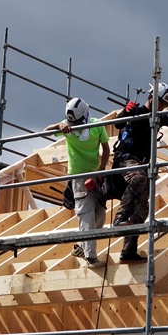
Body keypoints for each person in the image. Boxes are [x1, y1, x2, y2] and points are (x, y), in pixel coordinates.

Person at [112, 78, 168, 262]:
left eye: (165, 106)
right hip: (126, 159)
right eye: (161, 103)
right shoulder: (137, 111)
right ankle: (120, 218)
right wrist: (124, 111)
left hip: (142, 164)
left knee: (142, 207)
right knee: (140, 179)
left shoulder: (157, 118)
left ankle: (129, 251)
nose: (163, 108)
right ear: (151, 97)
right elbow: (118, 124)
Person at [44, 97, 110, 268]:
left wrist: (102, 170)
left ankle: (81, 246)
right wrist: (58, 126)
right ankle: (91, 257)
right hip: (79, 178)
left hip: (95, 175)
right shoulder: (67, 126)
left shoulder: (96, 125)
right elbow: (45, 130)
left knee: (100, 215)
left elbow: (106, 148)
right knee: (86, 215)